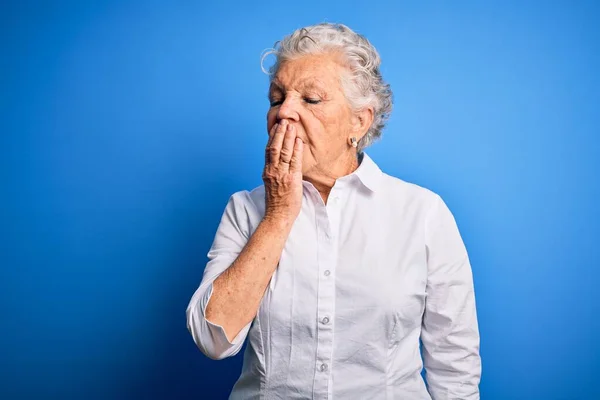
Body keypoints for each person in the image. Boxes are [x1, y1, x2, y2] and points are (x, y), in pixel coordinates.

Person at [186, 22, 481, 399]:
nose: (285, 113)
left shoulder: (422, 213)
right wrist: (278, 214)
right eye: (277, 98)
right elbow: (213, 339)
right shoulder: (245, 210)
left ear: (358, 121)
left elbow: (454, 365)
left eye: (310, 99)